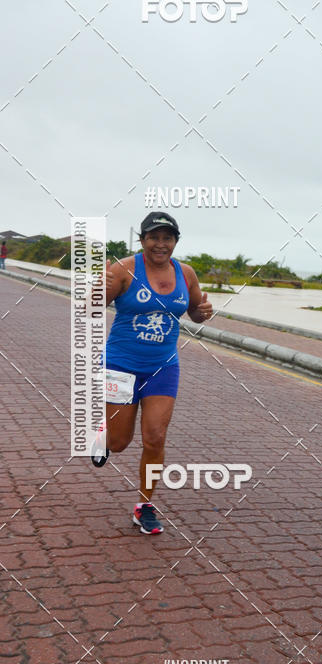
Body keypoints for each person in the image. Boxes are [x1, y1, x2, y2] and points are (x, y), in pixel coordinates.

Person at [91, 212, 212, 534]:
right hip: (120, 366)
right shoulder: (123, 269)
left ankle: (144, 505)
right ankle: (105, 432)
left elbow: (196, 313)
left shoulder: (186, 273)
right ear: (142, 240)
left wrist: (203, 313)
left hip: (163, 367)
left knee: (155, 436)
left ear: (175, 241)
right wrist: (95, 289)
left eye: (167, 238)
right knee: (119, 444)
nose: (161, 244)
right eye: (154, 237)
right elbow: (91, 306)